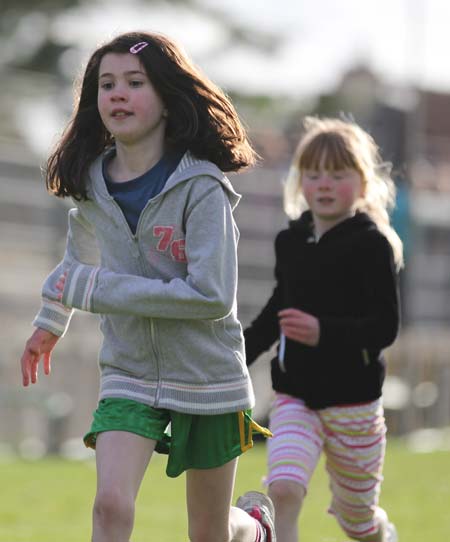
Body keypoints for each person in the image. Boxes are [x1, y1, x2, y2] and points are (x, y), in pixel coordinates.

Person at [20, 31, 276, 542]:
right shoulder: (91, 182)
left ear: (165, 98)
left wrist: (97, 291)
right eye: (106, 84)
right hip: (129, 370)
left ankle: (253, 528)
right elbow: (80, 259)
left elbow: (211, 297)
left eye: (134, 82)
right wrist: (51, 321)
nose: (117, 93)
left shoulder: (202, 188)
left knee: (208, 532)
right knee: (110, 505)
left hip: (208, 377)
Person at [244, 116, 403, 542]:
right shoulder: (290, 242)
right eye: (313, 175)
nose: (324, 184)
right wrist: (239, 354)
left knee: (357, 523)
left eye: (337, 174)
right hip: (296, 396)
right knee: (282, 491)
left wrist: (323, 333)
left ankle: (380, 531)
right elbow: (278, 309)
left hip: (355, 403)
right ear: (300, 183)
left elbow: (384, 327)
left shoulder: (373, 245)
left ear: (363, 183)